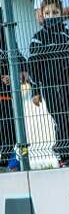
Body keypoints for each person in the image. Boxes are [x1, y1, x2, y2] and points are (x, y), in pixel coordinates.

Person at [29, 0, 69, 167]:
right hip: (51, 87)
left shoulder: (68, 34)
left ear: (61, 13)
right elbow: (33, 66)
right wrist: (35, 91)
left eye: (55, 12)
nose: (51, 15)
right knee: (62, 120)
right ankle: (65, 155)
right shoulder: (38, 38)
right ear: (42, 15)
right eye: (47, 13)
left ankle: (68, 149)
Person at [0, 14, 27, 172]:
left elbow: (17, 55)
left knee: (12, 129)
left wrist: (22, 70)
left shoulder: (6, 37)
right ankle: (9, 161)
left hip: (8, 95)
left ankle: (13, 160)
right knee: (5, 129)